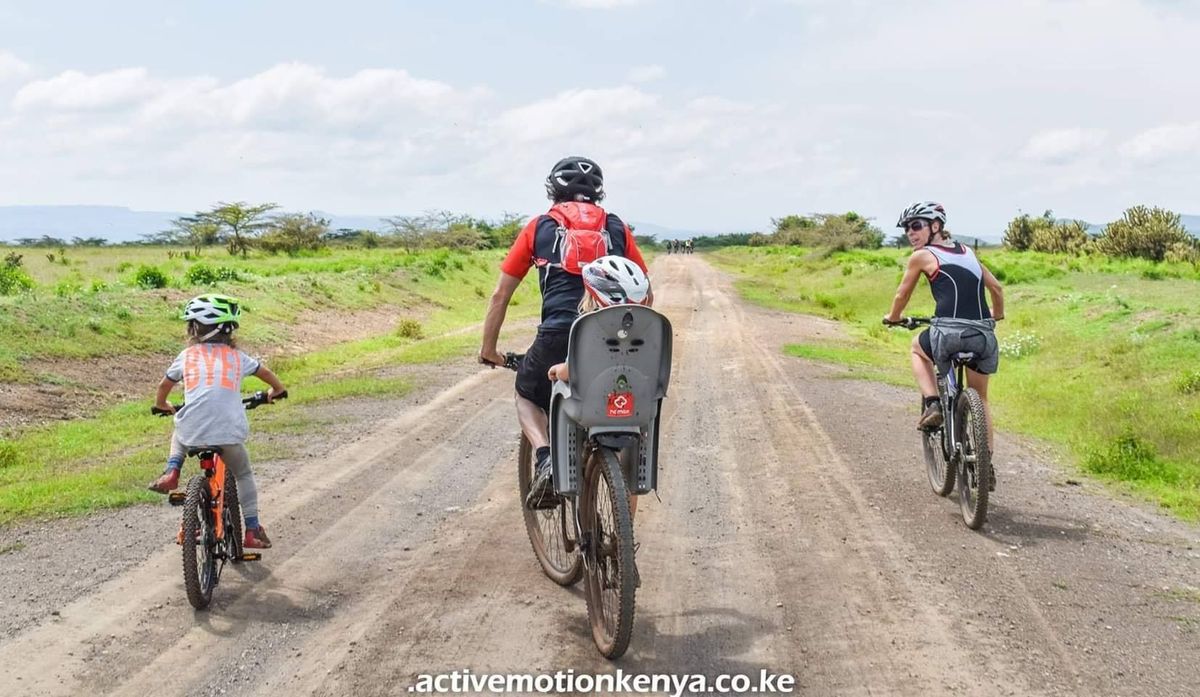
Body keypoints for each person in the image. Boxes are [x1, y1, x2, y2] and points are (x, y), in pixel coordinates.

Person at [478, 156, 650, 509]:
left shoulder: (539, 227)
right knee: (624, 421)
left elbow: (500, 296)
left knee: (526, 393)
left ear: (553, 190)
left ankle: (544, 457)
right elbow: (646, 290)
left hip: (558, 335)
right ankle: (623, 540)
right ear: (598, 193)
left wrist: (489, 350)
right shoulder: (617, 228)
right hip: (614, 336)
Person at [147, 294, 286, 549]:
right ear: (228, 329)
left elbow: (164, 385)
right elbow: (266, 374)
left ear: (195, 329)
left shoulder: (187, 356)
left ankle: (172, 470)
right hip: (229, 431)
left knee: (180, 426)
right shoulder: (237, 357)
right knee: (243, 473)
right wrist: (275, 391)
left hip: (193, 428)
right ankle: (252, 530)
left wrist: (162, 405)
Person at [883, 202, 1004, 448]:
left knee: (917, 347)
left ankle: (932, 403)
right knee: (981, 398)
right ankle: (986, 466)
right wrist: (996, 315)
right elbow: (997, 289)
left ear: (935, 226)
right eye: (907, 228)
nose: (910, 233)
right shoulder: (969, 252)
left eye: (916, 226)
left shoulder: (921, 256)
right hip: (983, 336)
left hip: (947, 335)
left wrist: (894, 317)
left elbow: (901, 296)